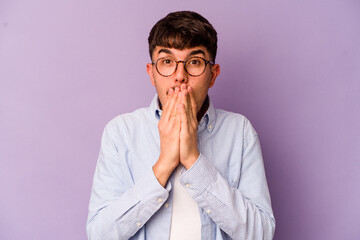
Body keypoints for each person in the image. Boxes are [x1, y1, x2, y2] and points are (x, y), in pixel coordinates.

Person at [86, 11, 275, 240]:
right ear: (152, 74)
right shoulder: (120, 133)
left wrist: (194, 160)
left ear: (213, 75)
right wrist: (164, 164)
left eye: (194, 62)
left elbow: (261, 234)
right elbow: (99, 235)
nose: (180, 76)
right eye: (167, 62)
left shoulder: (240, 132)